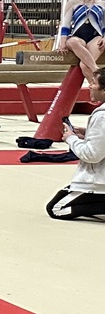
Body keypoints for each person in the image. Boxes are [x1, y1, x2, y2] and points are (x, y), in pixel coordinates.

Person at [47, 67, 105, 220]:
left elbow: (92, 155)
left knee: (56, 208)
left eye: (93, 83)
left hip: (99, 182)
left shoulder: (102, 116)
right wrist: (88, 133)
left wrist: (71, 139)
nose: (90, 86)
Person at [58, 0, 105, 77]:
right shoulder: (73, 3)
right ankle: (97, 71)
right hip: (77, 37)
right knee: (74, 42)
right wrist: (62, 42)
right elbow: (65, 25)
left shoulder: (102, 4)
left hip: (95, 38)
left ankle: (94, 89)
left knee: (84, 65)